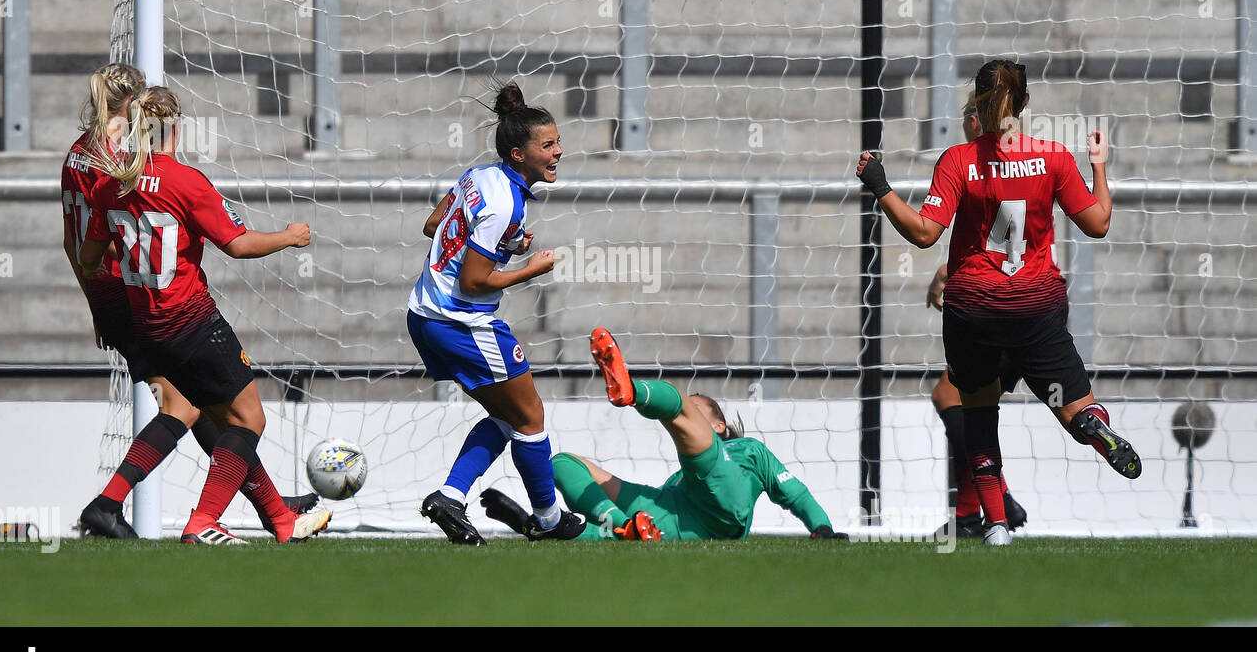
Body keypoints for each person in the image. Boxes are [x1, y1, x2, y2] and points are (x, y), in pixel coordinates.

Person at [854, 58, 1141, 546]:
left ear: (977, 107)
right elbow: (1098, 223)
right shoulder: (1052, 159)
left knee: (980, 415)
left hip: (975, 313)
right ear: (1025, 104)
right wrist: (1099, 167)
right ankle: (1093, 425)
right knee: (1069, 405)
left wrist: (881, 187)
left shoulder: (958, 160)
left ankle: (996, 526)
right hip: (1037, 309)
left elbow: (924, 234)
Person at [65, 64, 317, 540]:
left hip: (145, 324)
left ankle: (278, 515)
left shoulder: (108, 182)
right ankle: (202, 521)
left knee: (208, 411)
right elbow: (238, 245)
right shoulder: (187, 181)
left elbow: (88, 252)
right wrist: (288, 236)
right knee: (245, 418)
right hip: (192, 321)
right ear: (174, 128)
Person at [407, 82, 584, 545]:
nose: (559, 152)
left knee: (507, 419)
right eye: (548, 145)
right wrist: (529, 268)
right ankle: (547, 519)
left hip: (425, 315)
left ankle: (451, 495)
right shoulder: (506, 202)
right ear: (518, 153)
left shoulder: (479, 175)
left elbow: (432, 226)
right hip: (462, 321)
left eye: (558, 141)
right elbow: (474, 282)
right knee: (530, 417)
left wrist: (506, 243)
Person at [480, 328, 847, 542]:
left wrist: (822, 528)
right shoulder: (678, 479)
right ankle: (560, 526)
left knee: (681, 410)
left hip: (724, 510)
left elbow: (793, 492)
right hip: (672, 516)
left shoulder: (748, 451)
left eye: (701, 410)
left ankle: (632, 392)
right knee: (559, 463)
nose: (693, 412)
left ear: (719, 426)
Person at [925, 99, 1027, 538]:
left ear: (976, 120)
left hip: (1006, 309)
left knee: (958, 400)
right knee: (963, 402)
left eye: (968, 111)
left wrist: (947, 272)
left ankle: (990, 500)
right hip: (1022, 307)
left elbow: (1004, 244)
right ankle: (974, 511)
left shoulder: (986, 169)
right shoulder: (1017, 163)